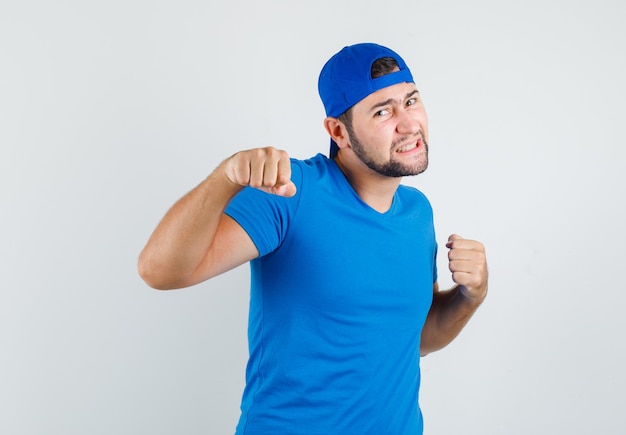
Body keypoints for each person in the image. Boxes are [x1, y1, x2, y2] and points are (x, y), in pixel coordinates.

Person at [138, 42, 488, 435]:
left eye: (410, 100)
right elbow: (159, 271)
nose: (408, 124)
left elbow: (416, 337)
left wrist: (470, 296)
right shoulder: (291, 193)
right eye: (382, 111)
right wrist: (225, 180)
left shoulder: (417, 212)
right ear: (338, 131)